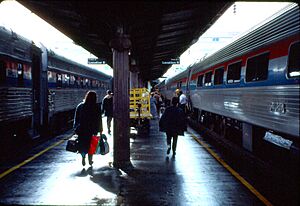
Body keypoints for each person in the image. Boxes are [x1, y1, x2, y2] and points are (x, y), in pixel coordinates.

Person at [73, 90, 103, 167]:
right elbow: (99, 119)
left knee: (83, 145)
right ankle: (90, 160)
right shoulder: (96, 107)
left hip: (82, 130)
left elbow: (76, 119)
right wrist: (100, 130)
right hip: (92, 130)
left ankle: (83, 157)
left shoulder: (80, 106)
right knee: (91, 145)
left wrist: (75, 128)